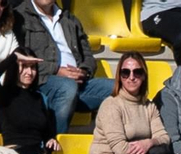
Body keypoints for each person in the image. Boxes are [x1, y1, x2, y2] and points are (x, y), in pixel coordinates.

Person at [14, 0, 111, 133]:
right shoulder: (19, 17)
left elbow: (87, 55)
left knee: (121, 87)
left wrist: (83, 71)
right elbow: (17, 59)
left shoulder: (69, 18)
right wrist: (56, 70)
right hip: (42, 82)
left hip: (78, 83)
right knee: (67, 87)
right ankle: (53, 141)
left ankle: (118, 142)